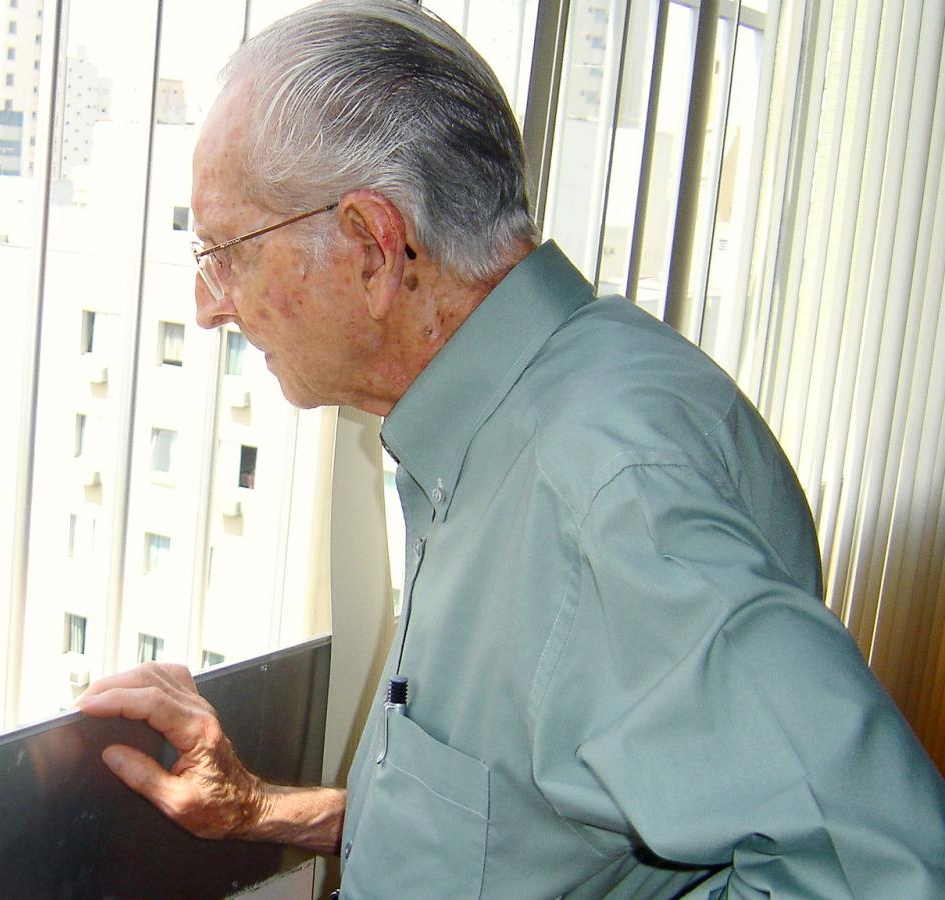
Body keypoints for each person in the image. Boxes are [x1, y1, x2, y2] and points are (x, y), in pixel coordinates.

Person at [77, 1, 945, 896]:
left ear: (374, 246)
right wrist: (260, 809)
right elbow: (525, 829)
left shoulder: (608, 489)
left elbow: (879, 871)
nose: (209, 304)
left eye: (226, 251)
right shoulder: (501, 424)